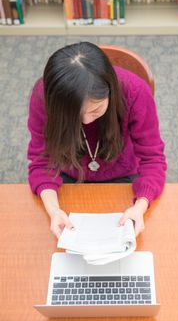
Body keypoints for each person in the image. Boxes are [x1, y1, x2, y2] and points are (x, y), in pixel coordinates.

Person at [27, 41, 167, 239]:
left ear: (110, 90)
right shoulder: (44, 98)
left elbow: (152, 159)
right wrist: (54, 211)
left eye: (95, 110)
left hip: (124, 174)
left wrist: (140, 206)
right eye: (74, 114)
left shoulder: (135, 92)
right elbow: (41, 162)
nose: (85, 120)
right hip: (67, 173)